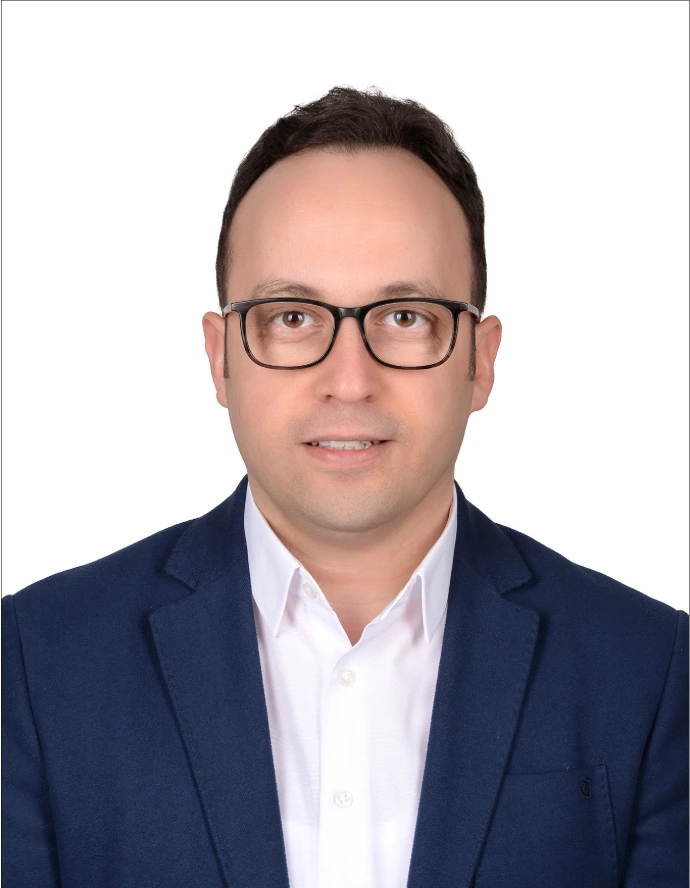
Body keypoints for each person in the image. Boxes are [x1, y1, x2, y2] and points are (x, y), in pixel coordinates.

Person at [2, 85, 687, 888]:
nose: (351, 380)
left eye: (406, 317)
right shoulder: (35, 665)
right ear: (221, 358)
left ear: (480, 360)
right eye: (292, 318)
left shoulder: (651, 671)